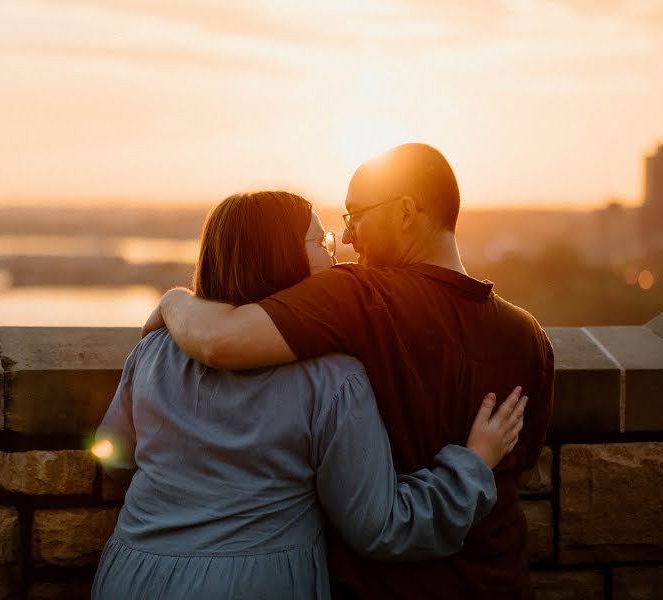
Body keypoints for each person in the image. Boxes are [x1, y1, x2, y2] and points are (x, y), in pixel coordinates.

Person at [146, 146, 555, 600]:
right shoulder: (529, 336)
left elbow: (220, 341)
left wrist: (174, 301)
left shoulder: (358, 297)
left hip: (384, 586)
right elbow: (526, 459)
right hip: (498, 581)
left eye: (355, 215)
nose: (348, 236)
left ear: (404, 213)